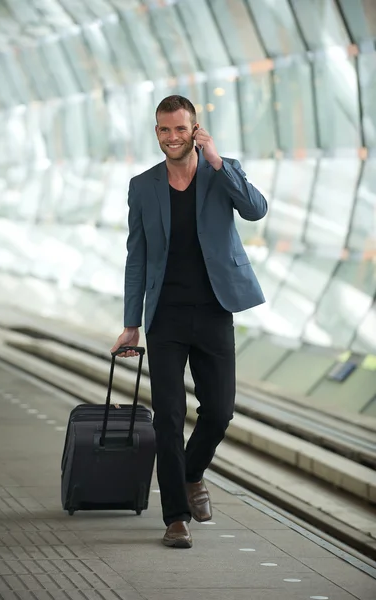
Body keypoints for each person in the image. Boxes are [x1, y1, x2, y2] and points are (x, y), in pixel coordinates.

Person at [111, 95, 267, 548]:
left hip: (216, 309)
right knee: (168, 417)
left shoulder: (222, 172)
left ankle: (193, 472)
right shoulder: (143, 186)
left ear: (195, 129)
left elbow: (256, 210)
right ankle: (175, 517)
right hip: (166, 317)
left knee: (218, 413)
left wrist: (218, 160)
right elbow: (136, 258)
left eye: (180, 129)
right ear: (156, 132)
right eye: (164, 130)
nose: (171, 138)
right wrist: (131, 322)